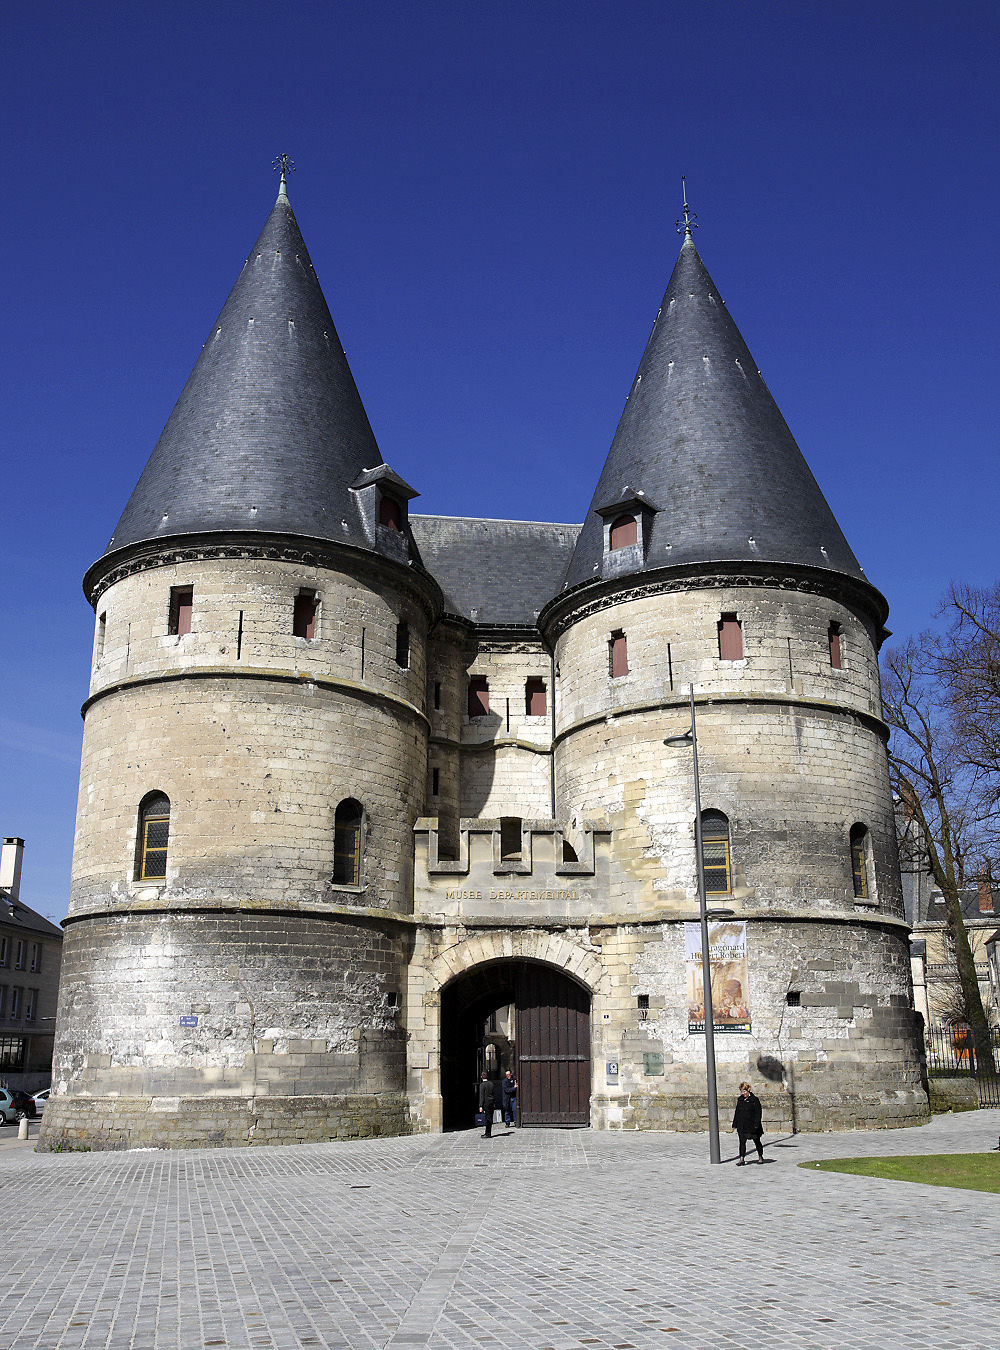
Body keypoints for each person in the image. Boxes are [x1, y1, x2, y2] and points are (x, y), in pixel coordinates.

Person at [732, 1081, 765, 1164]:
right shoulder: (740, 1100)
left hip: (752, 1125)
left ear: (748, 1091)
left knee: (757, 1141)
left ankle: (760, 1156)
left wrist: (756, 1124)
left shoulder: (754, 1100)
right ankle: (742, 1158)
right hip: (742, 1125)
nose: (743, 1093)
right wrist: (735, 1123)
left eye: (744, 1091)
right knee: (742, 1142)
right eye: (742, 1091)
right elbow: (737, 1112)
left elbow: (758, 1112)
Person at [479, 1072, 497, 1138]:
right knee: (490, 1117)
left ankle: (487, 1133)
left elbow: (481, 1096)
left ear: (481, 1077)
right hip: (491, 1102)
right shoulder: (491, 1084)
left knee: (487, 1118)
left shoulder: (482, 1085)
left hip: (486, 1103)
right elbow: (493, 1093)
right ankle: (488, 1132)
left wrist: (480, 1105)